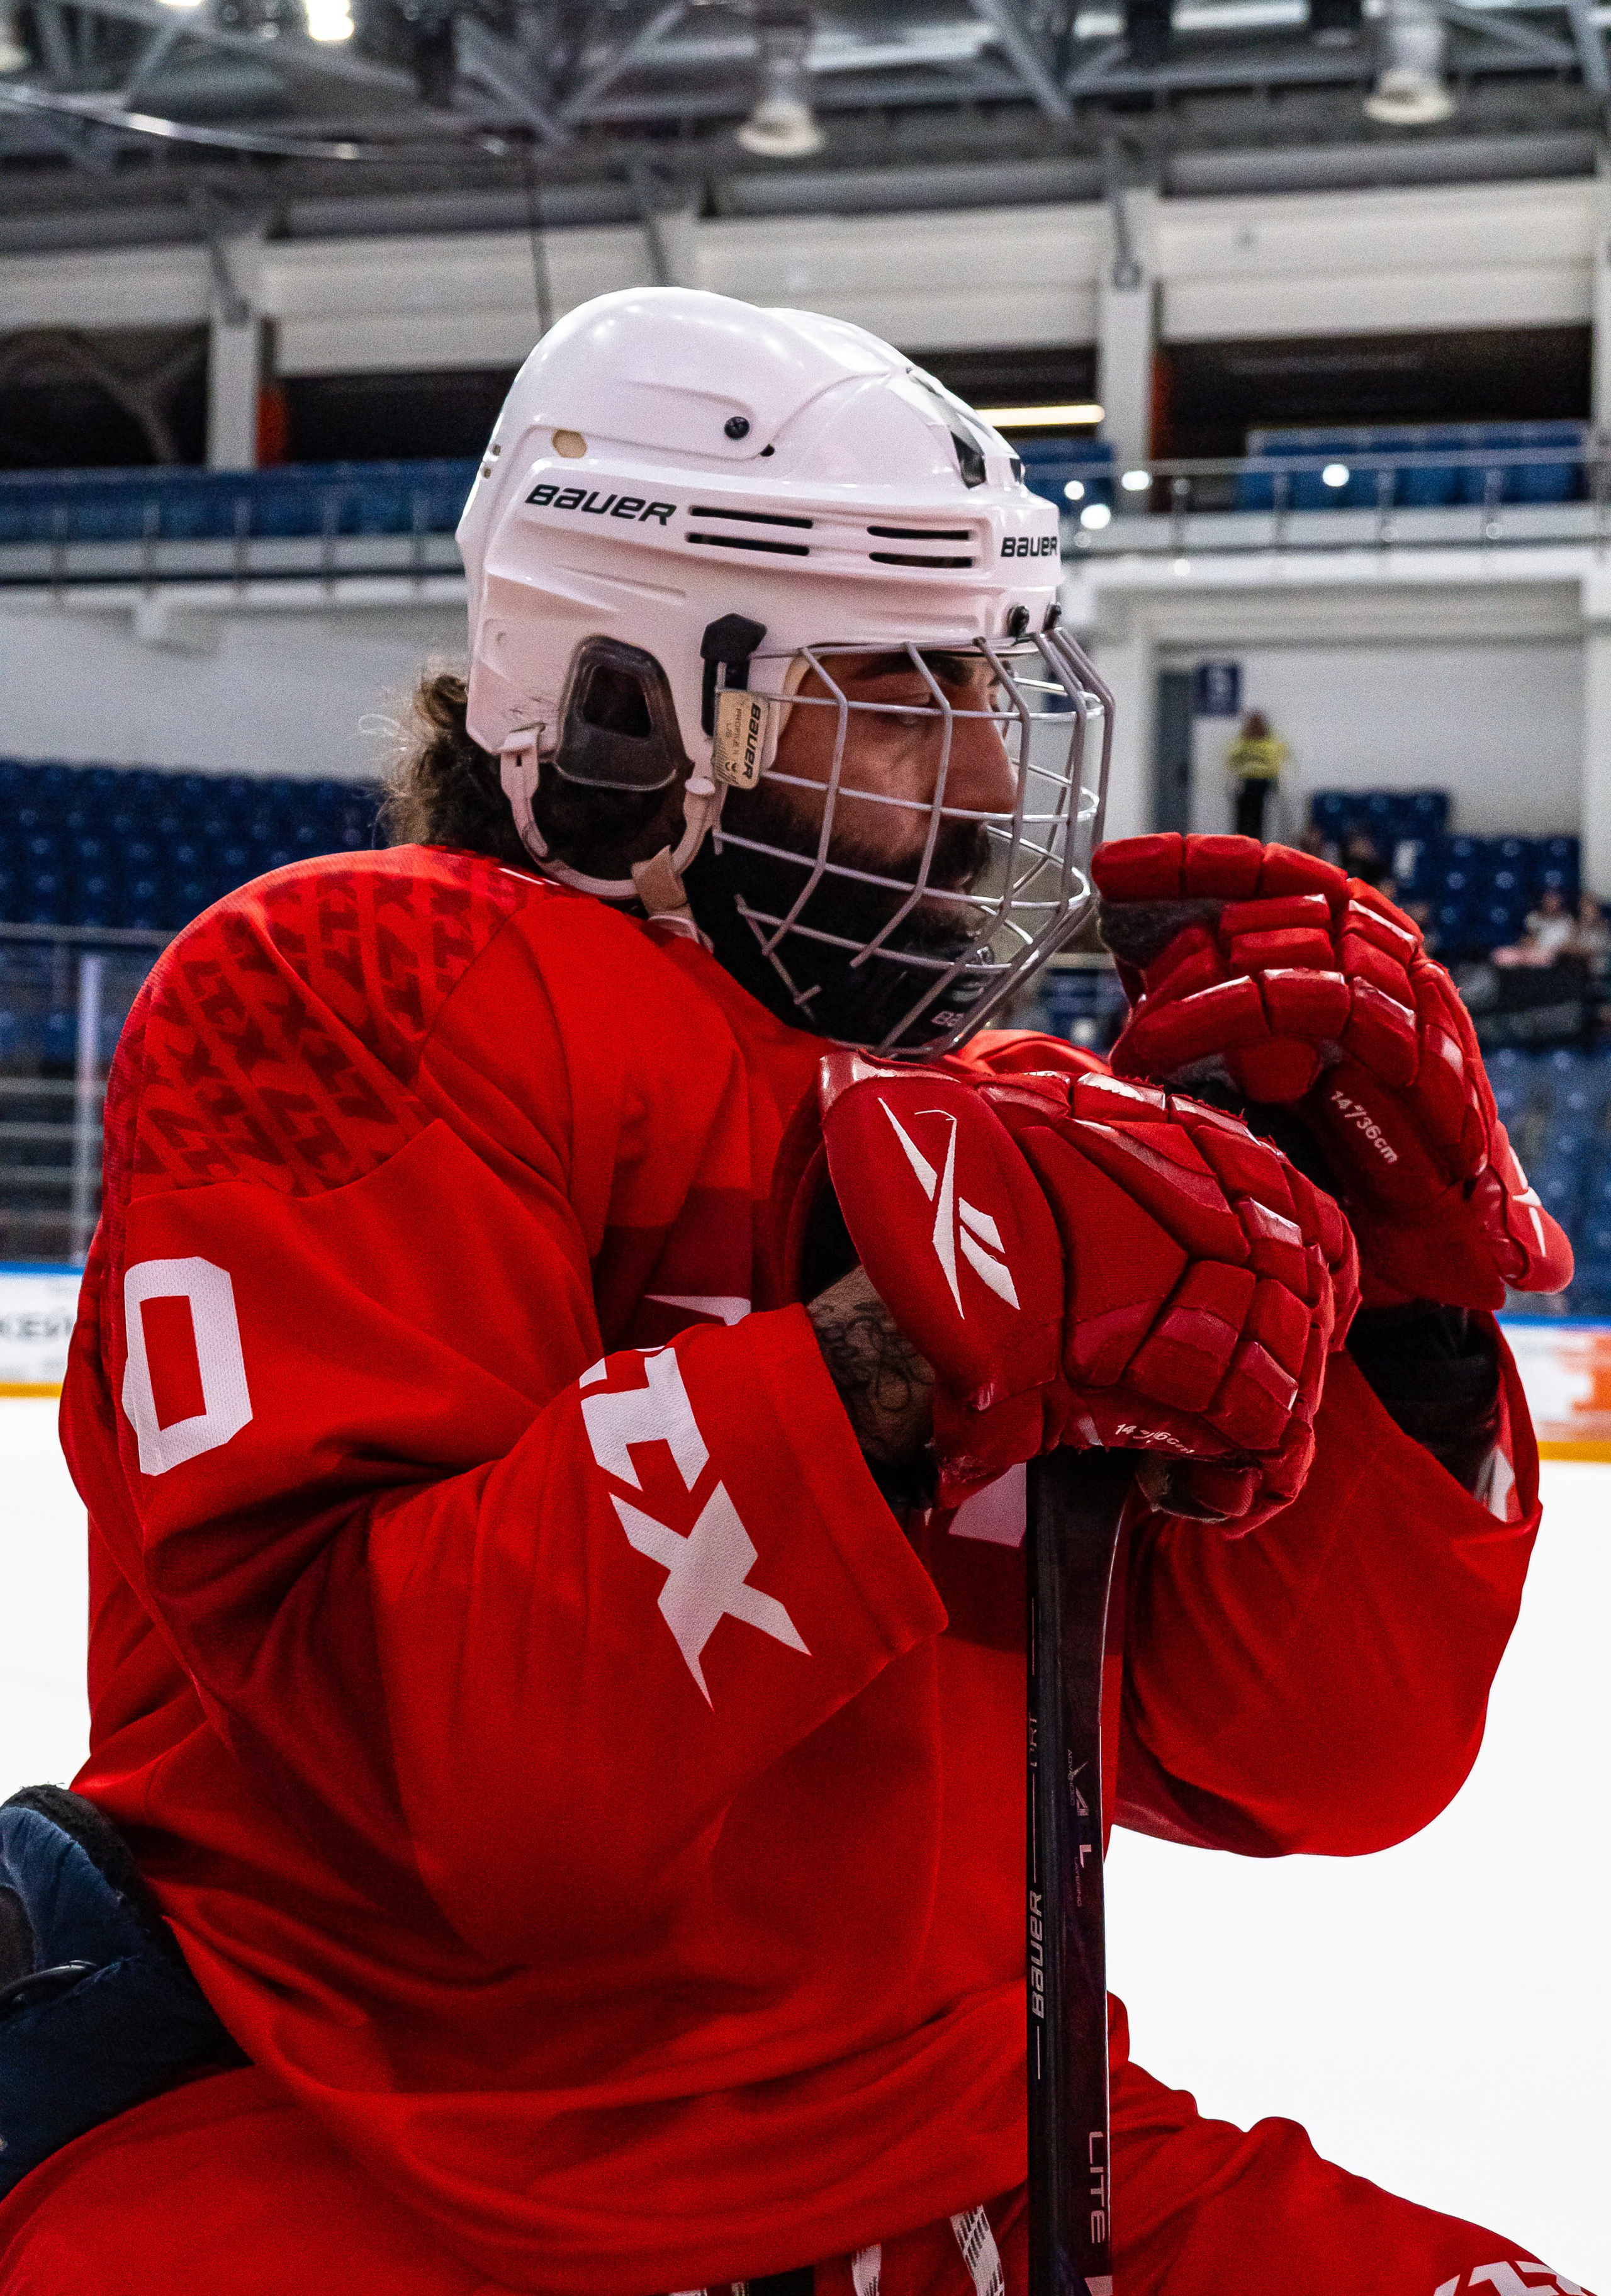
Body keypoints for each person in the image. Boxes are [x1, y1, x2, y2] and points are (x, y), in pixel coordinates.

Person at [0, 288, 1588, 2296]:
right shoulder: (349, 985)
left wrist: (1402, 1318)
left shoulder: (1004, 1123)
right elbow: (424, 1774)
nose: (981, 759)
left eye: (989, 677)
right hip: (386, 2138)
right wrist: (896, 1352)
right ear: (620, 709)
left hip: (974, 2142)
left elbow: (1316, 1765)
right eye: (897, 687)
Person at [1223, 709, 1288, 840]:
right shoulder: (1242, 742)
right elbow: (1232, 759)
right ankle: (1239, 842)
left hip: (1263, 783)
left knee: (1258, 817)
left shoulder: (1271, 743)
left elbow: (1276, 762)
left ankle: (1256, 844)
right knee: (1242, 817)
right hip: (1246, 782)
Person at [1494, 886, 1579, 969]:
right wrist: (1529, 944)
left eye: (1554, 900)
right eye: (1548, 900)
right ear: (1543, 901)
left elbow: (1570, 942)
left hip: (1556, 955)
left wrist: (1555, 950)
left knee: (1545, 958)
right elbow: (1528, 938)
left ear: (1560, 901)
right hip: (1534, 952)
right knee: (1500, 955)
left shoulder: (1567, 920)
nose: (1551, 903)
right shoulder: (1533, 918)